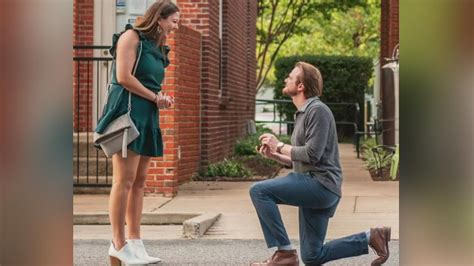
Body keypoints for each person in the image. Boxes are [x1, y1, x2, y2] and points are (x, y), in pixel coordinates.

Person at [249, 62, 391, 266]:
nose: (286, 79)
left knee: (259, 191)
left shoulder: (317, 110)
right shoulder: (302, 113)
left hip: (321, 185)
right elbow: (303, 158)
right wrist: (276, 156)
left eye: (290, 76)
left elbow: (312, 154)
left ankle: (285, 253)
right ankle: (372, 237)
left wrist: (279, 144)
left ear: (301, 86)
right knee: (312, 256)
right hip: (313, 185)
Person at [94, 1, 180, 265]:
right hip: (127, 112)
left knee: (140, 181)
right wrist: (156, 97)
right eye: (173, 21)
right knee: (124, 180)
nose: (176, 27)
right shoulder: (131, 37)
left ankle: (135, 241)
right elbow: (123, 77)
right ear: (159, 19)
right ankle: (118, 244)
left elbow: (149, 81)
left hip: (147, 113)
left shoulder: (156, 47)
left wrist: (160, 98)